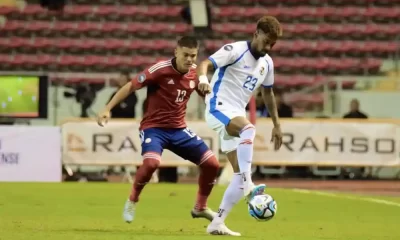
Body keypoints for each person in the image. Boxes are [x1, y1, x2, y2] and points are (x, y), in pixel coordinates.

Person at [96, 36, 219, 224]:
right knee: (152, 164)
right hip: (154, 129)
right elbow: (130, 86)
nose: (189, 60)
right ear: (176, 52)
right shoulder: (159, 70)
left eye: (193, 56)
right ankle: (132, 200)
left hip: (179, 130)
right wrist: (107, 108)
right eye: (185, 55)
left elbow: (207, 98)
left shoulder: (195, 74)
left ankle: (200, 207)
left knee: (212, 164)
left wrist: (217, 106)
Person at [197, 16, 284, 236]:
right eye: (266, 41)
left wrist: (277, 124)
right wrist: (204, 80)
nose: (268, 47)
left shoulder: (267, 63)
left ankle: (217, 223)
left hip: (235, 113)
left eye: (273, 44)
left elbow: (268, 92)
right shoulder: (235, 50)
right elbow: (205, 64)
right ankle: (249, 186)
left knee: (238, 173)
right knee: (249, 129)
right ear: (256, 33)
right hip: (218, 107)